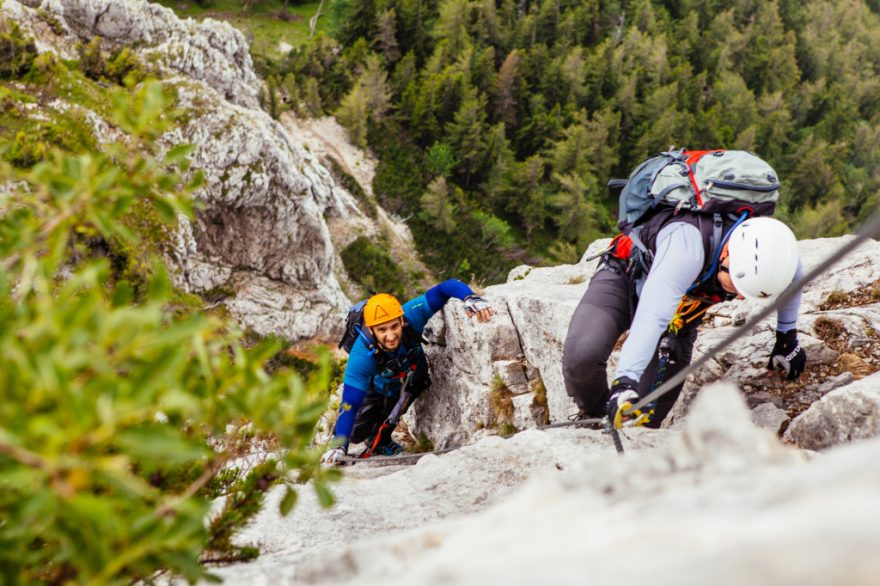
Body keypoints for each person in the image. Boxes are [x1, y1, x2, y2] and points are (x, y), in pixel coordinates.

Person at [562, 212, 806, 429]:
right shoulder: (687, 247)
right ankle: (595, 417)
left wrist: (787, 338)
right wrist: (624, 382)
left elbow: (795, 278)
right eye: (736, 284)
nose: (740, 296)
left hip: (682, 314)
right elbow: (652, 316)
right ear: (727, 253)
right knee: (582, 357)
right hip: (625, 276)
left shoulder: (774, 253)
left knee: (645, 417)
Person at [323, 280, 493, 463]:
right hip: (381, 382)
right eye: (382, 330)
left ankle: (382, 440)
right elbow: (349, 403)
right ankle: (356, 434)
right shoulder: (361, 356)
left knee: (397, 408)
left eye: (394, 326)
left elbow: (445, 288)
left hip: (413, 371)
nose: (390, 335)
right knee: (357, 433)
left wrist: (469, 297)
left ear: (401, 320)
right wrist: (339, 445)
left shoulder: (412, 314)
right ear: (371, 330)